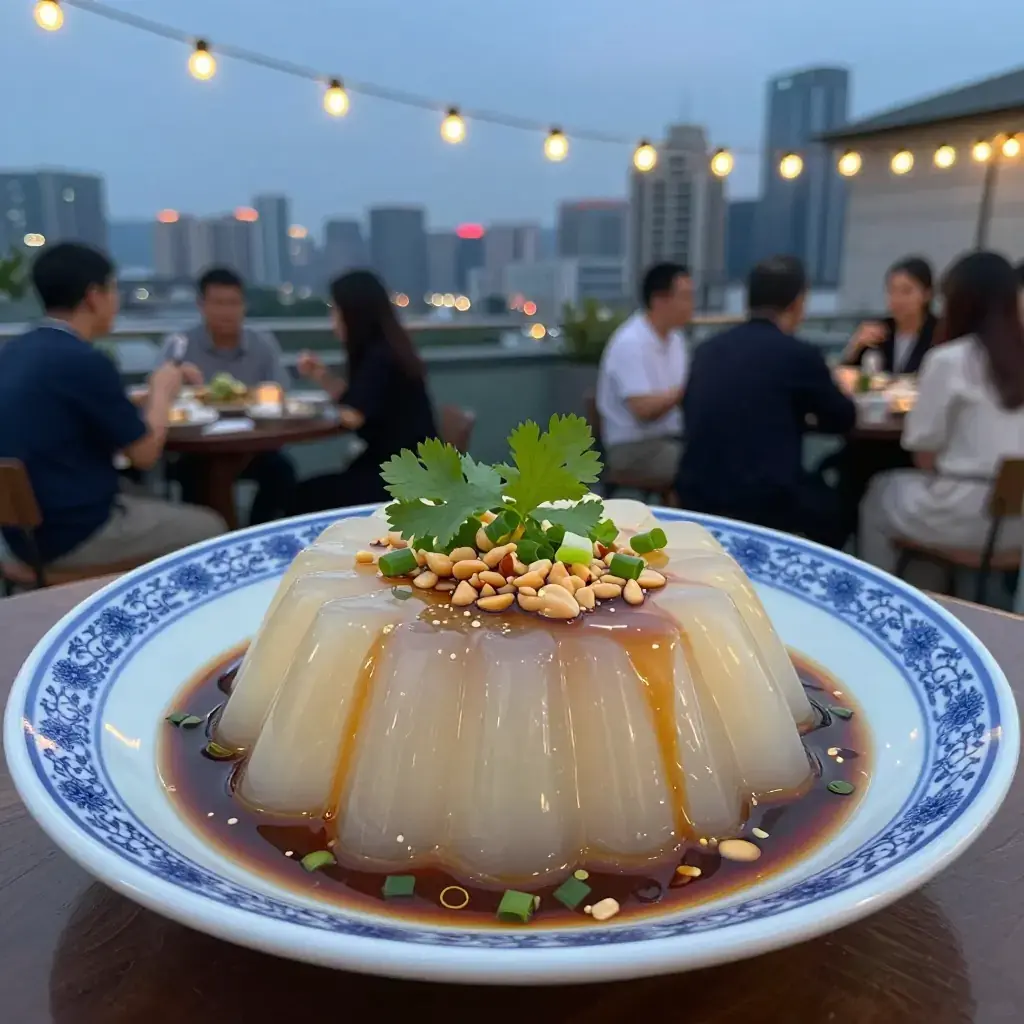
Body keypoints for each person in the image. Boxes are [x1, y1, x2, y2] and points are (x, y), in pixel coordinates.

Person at [0, 243, 224, 568]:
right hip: (73, 536)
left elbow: (65, 413)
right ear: (94, 296)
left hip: (20, 537)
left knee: (152, 500)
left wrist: (142, 398)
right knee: (212, 527)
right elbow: (144, 455)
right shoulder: (84, 360)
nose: (116, 300)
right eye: (114, 289)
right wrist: (162, 390)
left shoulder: (15, 352)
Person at [860, 251, 1024, 574]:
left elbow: (922, 447)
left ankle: (879, 595)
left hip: (964, 514)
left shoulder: (949, 359)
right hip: (1016, 517)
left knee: (878, 493)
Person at [675, 256, 856, 547]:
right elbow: (843, 418)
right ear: (798, 302)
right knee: (839, 505)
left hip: (695, 492)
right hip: (764, 500)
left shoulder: (707, 349)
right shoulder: (798, 354)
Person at [290, 270, 437, 511]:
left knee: (301, 497)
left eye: (335, 310)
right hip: (402, 467)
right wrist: (321, 375)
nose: (332, 319)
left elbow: (353, 416)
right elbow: (357, 402)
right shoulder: (385, 349)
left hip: (399, 478)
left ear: (353, 312)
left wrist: (306, 412)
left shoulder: (380, 357)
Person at [161, 267, 295, 524]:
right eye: (218, 303)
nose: (226, 312)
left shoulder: (261, 343)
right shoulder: (180, 345)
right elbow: (160, 397)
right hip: (196, 446)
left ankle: (257, 530)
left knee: (282, 472)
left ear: (244, 306)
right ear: (202, 305)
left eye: (233, 303)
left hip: (253, 443)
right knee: (196, 474)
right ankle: (211, 535)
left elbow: (281, 392)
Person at [595, 262, 692, 482]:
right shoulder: (631, 342)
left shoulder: (676, 339)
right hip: (633, 448)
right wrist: (683, 392)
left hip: (672, 438)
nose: (691, 305)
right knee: (700, 466)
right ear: (659, 300)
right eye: (685, 297)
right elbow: (643, 410)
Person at [842, 257, 937, 375]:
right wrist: (855, 346)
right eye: (892, 291)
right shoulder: (878, 332)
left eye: (906, 291)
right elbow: (845, 376)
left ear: (927, 294)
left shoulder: (939, 333)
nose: (897, 299)